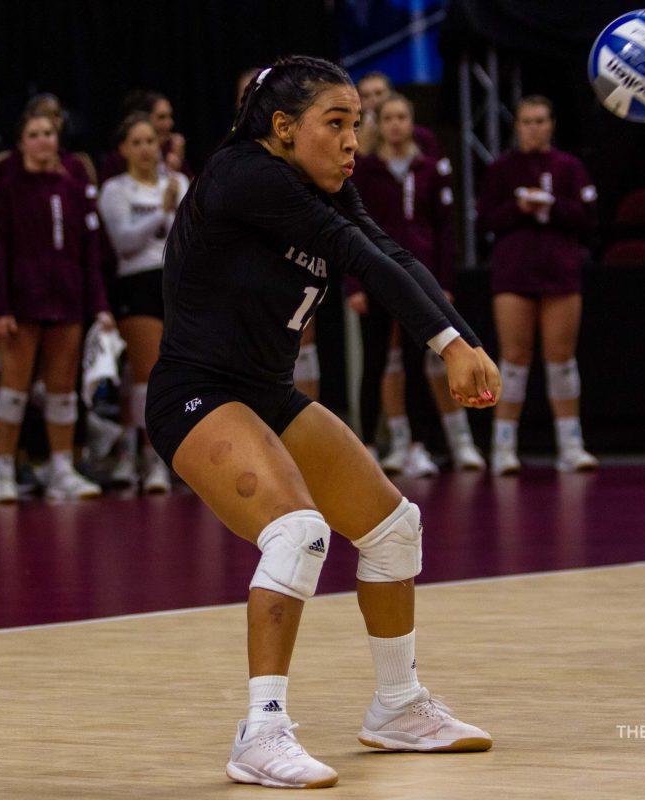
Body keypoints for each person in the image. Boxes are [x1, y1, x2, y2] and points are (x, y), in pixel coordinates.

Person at [147, 55, 498, 789]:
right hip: (197, 394)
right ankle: (261, 732)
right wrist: (449, 344)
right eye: (334, 124)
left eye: (357, 126)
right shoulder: (246, 174)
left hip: (268, 392)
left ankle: (398, 708)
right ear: (282, 128)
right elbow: (355, 254)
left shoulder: (323, 185)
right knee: (299, 530)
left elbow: (390, 252)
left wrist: (461, 337)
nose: (351, 143)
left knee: (393, 529)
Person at [351, 93, 485, 473]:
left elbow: (444, 230)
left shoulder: (427, 167)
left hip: (418, 277)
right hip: (376, 275)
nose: (395, 124)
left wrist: (442, 283)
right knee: (375, 360)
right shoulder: (365, 168)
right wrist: (354, 285)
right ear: (379, 123)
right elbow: (349, 228)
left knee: (416, 362)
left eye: (401, 117)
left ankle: (416, 445)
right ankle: (369, 446)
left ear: (412, 122)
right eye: (388, 117)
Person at [0, 111, 113, 504]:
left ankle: (61, 469)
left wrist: (100, 307)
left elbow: (90, 254)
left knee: (62, 391)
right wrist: (0, 308)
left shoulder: (75, 189)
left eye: (48, 134)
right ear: (21, 143)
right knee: (13, 391)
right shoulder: (7, 190)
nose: (42, 140)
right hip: (23, 301)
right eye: (34, 134)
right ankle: (4, 471)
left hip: (67, 297)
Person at [477, 96, 599, 474]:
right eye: (527, 121)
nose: (534, 127)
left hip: (560, 274)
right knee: (514, 361)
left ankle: (570, 444)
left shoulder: (569, 167)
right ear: (517, 127)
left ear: (551, 125)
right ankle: (503, 446)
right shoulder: (501, 169)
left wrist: (550, 207)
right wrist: (520, 208)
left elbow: (587, 218)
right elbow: (485, 219)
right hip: (514, 274)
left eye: (540, 120)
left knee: (561, 361)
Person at [98, 113, 188, 493]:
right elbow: (124, 241)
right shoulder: (115, 190)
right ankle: (148, 459)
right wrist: (161, 213)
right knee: (146, 378)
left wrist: (172, 212)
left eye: (150, 141)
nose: (145, 149)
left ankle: (179, 457)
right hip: (137, 283)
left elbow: (188, 235)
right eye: (136, 142)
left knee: (182, 375)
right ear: (123, 149)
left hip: (176, 280)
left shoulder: (178, 182)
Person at [355, 71, 440, 158]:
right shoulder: (352, 138)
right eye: (366, 96)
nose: (373, 100)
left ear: (392, 93)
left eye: (379, 93)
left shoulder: (423, 137)